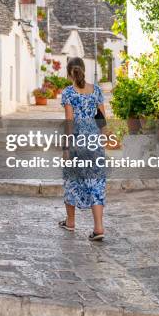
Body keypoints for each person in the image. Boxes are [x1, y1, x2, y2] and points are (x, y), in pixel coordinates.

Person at [59, 57, 107, 241]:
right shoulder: (96, 91)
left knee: (71, 180)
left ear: (69, 72)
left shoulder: (68, 93)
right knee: (96, 184)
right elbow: (102, 120)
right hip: (94, 142)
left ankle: (70, 222)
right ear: (84, 70)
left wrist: (66, 149)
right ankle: (98, 227)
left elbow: (69, 123)